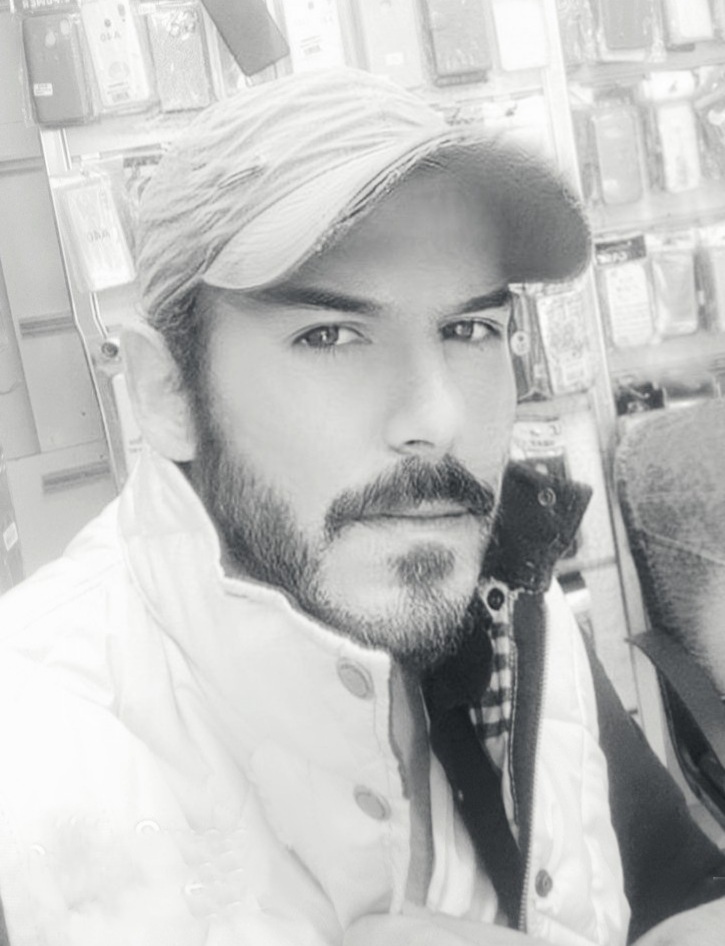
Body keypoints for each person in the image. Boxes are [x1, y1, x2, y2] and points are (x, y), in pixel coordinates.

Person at [0, 67, 722, 946]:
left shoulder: (511, 620)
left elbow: (674, 888)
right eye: (330, 335)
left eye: (468, 330)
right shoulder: (30, 758)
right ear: (167, 392)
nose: (436, 419)